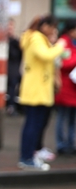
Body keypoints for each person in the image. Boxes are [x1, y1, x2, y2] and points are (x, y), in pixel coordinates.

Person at [17, 15, 68, 170]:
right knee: (33, 125)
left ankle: (30, 156)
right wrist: (60, 46)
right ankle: (27, 158)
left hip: (37, 89)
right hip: (36, 89)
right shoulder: (36, 38)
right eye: (53, 27)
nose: (54, 30)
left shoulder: (35, 37)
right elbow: (46, 55)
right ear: (45, 26)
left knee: (35, 124)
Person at [54, 19, 76, 156]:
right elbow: (63, 63)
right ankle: (61, 145)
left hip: (73, 88)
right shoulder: (63, 42)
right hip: (65, 86)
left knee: (72, 119)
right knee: (62, 117)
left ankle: (71, 143)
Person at [6, 17, 22, 116]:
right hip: (3, 70)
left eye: (11, 26)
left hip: (13, 70)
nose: (9, 28)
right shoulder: (2, 43)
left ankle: (12, 106)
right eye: (8, 26)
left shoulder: (17, 42)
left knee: (13, 87)